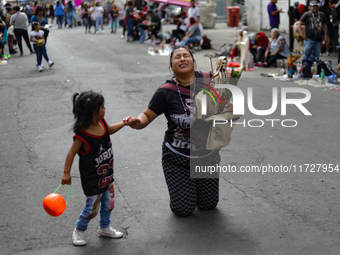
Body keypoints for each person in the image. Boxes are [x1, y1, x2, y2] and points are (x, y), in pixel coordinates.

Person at [123, 46, 221, 217]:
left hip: (207, 156)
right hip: (178, 157)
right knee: (183, 209)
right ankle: (185, 186)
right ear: (172, 66)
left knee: (209, 205)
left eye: (186, 56)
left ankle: (195, 185)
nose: (182, 59)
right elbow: (147, 115)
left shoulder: (209, 80)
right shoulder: (166, 91)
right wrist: (138, 122)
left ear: (193, 61)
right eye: (177, 57)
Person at [61, 91, 126, 246]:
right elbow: (71, 153)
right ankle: (79, 230)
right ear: (92, 113)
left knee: (108, 204)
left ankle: (104, 227)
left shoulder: (102, 123)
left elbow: (110, 130)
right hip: (92, 181)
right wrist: (66, 173)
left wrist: (124, 123)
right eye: (102, 107)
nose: (105, 109)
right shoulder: (82, 135)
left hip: (107, 177)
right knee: (91, 209)